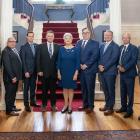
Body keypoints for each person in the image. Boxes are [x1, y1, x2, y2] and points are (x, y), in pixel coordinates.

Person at [76, 28, 99, 114]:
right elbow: (76, 54)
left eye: (87, 33)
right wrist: (79, 64)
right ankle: (85, 104)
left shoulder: (95, 43)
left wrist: (86, 65)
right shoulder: (78, 43)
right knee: (84, 89)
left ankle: (90, 106)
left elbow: (95, 56)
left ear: (89, 34)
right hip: (81, 70)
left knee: (90, 88)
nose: (85, 34)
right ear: (82, 34)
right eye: (83, 33)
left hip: (90, 70)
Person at [116, 33, 138, 118]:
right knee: (123, 91)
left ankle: (130, 110)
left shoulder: (134, 48)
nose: (125, 39)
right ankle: (123, 107)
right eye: (123, 38)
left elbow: (133, 60)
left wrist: (124, 68)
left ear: (130, 38)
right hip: (121, 74)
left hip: (129, 74)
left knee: (130, 93)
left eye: (127, 38)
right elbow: (118, 59)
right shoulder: (121, 47)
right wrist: (118, 66)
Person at [37, 30, 60, 112]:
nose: (50, 37)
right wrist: (39, 70)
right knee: (44, 91)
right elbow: (38, 59)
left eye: (51, 36)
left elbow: (59, 60)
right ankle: (44, 105)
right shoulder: (40, 46)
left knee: (53, 91)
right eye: (49, 36)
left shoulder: (58, 47)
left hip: (54, 73)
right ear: (46, 37)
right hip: (44, 73)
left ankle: (53, 105)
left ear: (54, 37)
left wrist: (58, 71)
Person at [57, 33, 80, 114]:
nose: (67, 39)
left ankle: (70, 106)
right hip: (63, 72)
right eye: (66, 38)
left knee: (71, 89)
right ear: (64, 39)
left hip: (72, 72)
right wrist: (58, 72)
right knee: (64, 89)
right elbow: (58, 62)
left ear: (72, 39)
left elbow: (78, 62)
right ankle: (65, 105)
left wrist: (76, 73)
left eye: (69, 38)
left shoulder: (76, 49)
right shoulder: (61, 49)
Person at [98, 30, 120, 116]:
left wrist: (104, 67)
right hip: (102, 72)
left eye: (108, 35)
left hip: (110, 72)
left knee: (111, 90)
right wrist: (99, 65)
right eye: (105, 35)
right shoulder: (102, 45)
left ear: (112, 36)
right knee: (105, 90)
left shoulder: (115, 46)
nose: (106, 37)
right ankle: (107, 105)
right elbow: (99, 57)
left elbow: (114, 59)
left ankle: (110, 108)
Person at [2, 37, 22, 116]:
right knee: (9, 94)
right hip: (10, 78)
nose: (13, 43)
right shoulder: (5, 51)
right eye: (11, 41)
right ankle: (9, 111)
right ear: (7, 42)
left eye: (14, 41)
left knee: (13, 93)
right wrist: (12, 77)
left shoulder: (14, 49)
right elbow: (7, 66)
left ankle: (12, 107)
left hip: (15, 77)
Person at [20, 32, 40, 112]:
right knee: (26, 89)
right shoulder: (23, 47)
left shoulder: (36, 46)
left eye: (32, 36)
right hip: (27, 72)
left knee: (33, 87)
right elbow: (23, 60)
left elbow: (38, 59)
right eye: (29, 36)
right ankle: (26, 104)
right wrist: (25, 71)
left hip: (34, 72)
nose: (31, 38)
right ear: (27, 37)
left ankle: (32, 102)